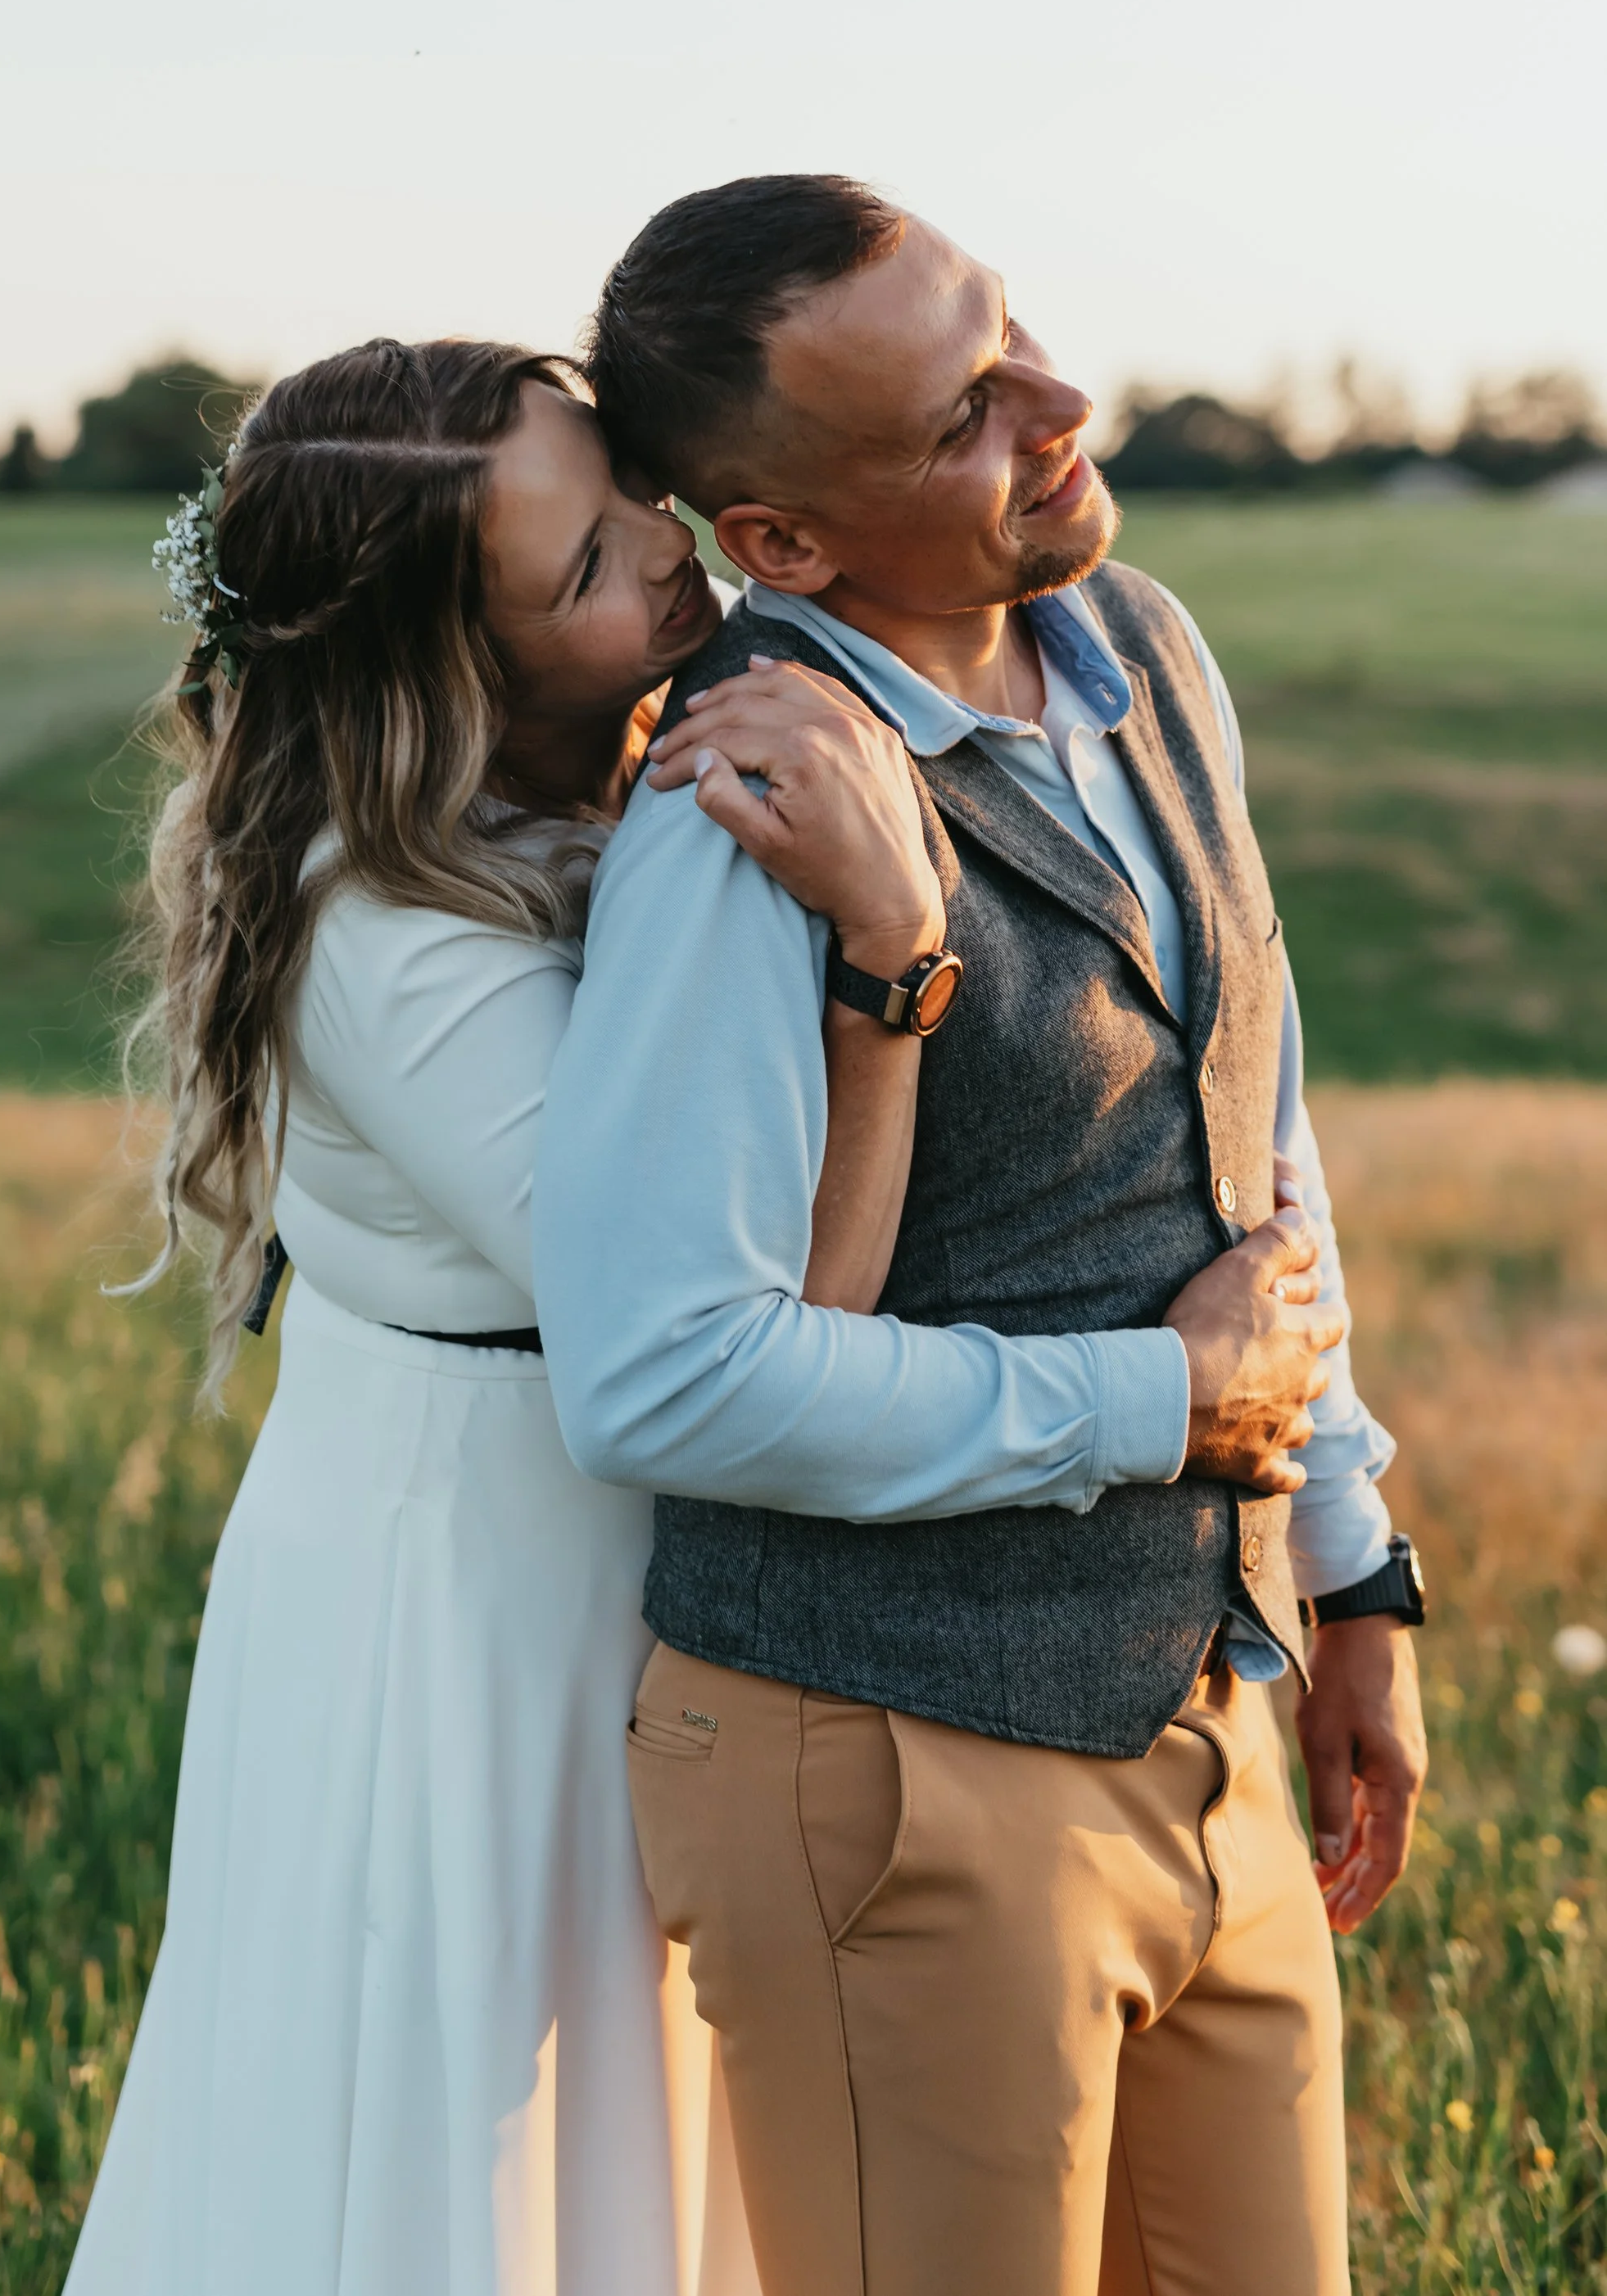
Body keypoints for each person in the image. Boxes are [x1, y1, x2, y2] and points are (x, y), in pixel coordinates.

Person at [64, 333, 1131, 2296]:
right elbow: (759, 1338)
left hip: (583, 1544)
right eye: (581, 573)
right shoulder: (386, 934)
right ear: (447, 676)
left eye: (625, 493)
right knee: (482, 2136)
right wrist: (889, 977)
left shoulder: (614, 766)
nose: (660, 556)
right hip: (474, 1594)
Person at [532, 175, 1427, 2296]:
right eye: (962, 413)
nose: (1062, 400)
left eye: (1012, 333)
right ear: (780, 546)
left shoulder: (1137, 644)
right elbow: (664, 1371)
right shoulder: (737, 818)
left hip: (1206, 1713)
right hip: (892, 1779)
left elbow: (1251, 1139)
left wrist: (1345, 1564)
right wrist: (1164, 1402)